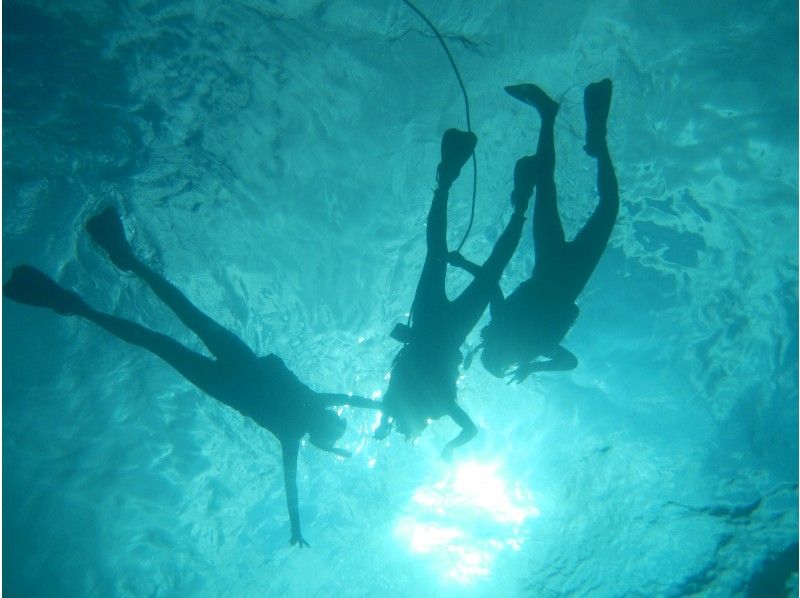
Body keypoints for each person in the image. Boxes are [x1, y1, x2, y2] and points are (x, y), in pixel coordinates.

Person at [3, 208, 380, 547]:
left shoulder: (307, 416)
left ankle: (114, 270)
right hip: (229, 381)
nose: (334, 415)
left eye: (334, 421)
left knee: (180, 314)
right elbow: (295, 480)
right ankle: (85, 299)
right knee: (161, 337)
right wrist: (297, 524)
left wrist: (382, 404)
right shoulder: (295, 434)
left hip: (237, 366)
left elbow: (343, 411)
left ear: (326, 423)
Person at [374, 123, 539, 459]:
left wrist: (445, 444)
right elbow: (469, 428)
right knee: (443, 254)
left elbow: (468, 430)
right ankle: (452, 183)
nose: (411, 427)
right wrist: (444, 444)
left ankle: (512, 204)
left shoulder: (418, 405)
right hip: (437, 326)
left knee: (477, 266)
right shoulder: (427, 405)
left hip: (442, 328)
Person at [449, 80, 619, 383]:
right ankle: (577, 131)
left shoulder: (532, 342)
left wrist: (533, 366)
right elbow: (491, 284)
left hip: (564, 272)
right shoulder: (518, 332)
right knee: (551, 189)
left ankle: (561, 122)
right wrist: (463, 264)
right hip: (555, 265)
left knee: (601, 204)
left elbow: (569, 361)